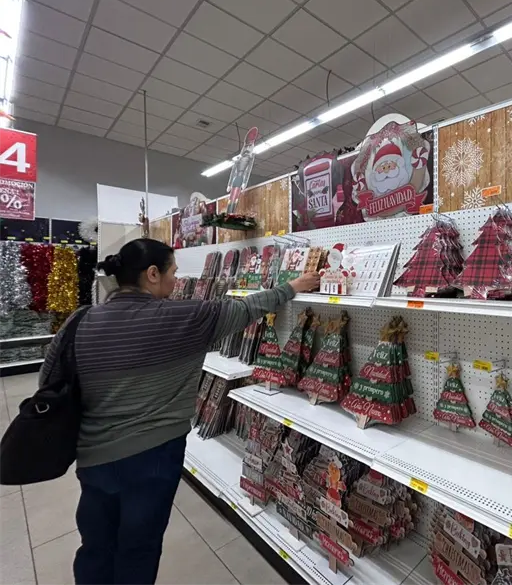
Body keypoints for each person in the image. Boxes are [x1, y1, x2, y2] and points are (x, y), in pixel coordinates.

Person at [37, 238, 319, 585]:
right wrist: (292, 286)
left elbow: (48, 379)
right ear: (152, 274)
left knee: (95, 545)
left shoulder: (81, 320)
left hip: (94, 455)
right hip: (155, 457)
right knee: (139, 548)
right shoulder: (186, 318)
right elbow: (248, 309)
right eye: (172, 271)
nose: (176, 280)